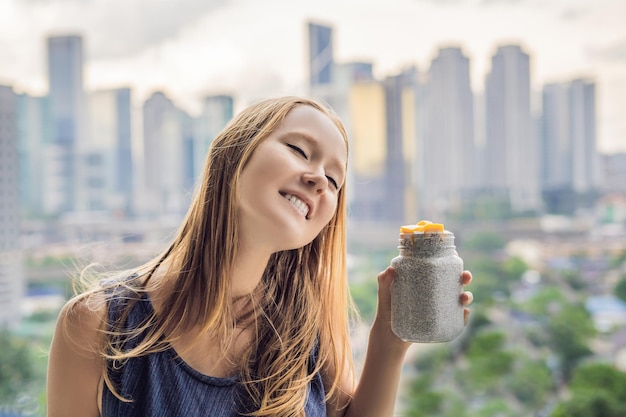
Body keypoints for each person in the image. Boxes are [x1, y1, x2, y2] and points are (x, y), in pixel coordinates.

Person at [47, 96, 473, 417]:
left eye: (333, 179)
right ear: (233, 153)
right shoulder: (97, 325)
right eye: (300, 151)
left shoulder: (305, 330)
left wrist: (390, 341)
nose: (318, 180)